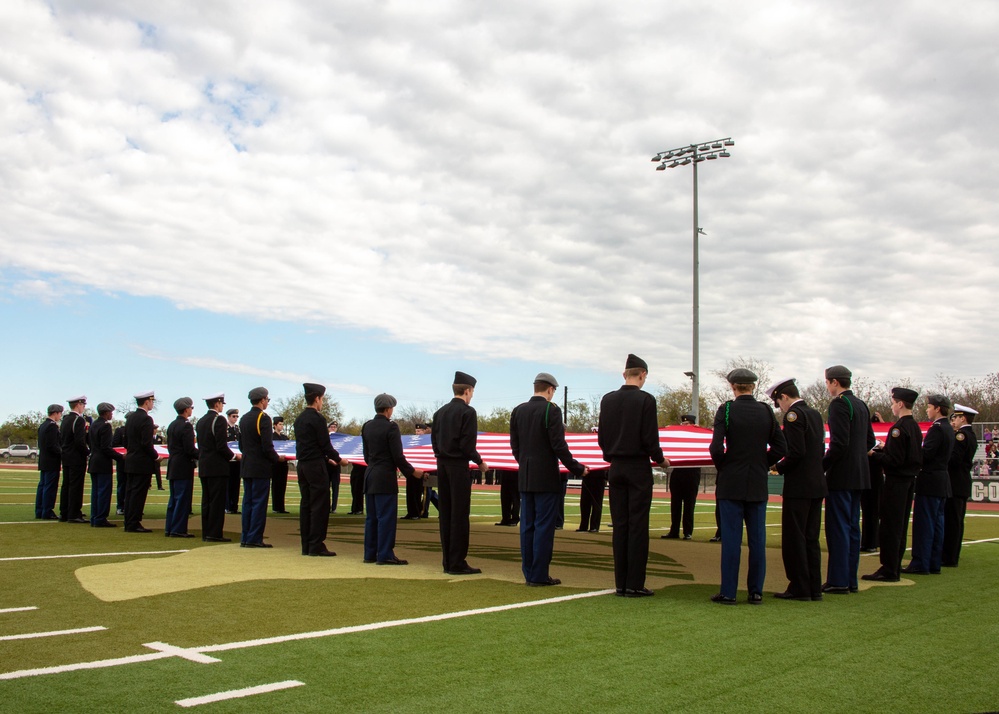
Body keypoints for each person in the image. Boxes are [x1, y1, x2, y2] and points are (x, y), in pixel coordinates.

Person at [709, 369, 786, 605]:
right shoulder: (765, 410)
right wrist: (762, 462)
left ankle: (729, 592)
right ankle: (755, 591)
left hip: (731, 482)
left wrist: (726, 466)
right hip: (756, 483)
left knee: (732, 540)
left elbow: (715, 448)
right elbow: (781, 447)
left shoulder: (727, 409)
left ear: (733, 387)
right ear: (753, 386)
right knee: (757, 541)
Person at [597, 354, 669, 598]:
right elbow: (650, 438)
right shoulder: (646, 400)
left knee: (620, 525)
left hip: (615, 467)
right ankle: (634, 583)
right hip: (638, 467)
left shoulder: (607, 400)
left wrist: (611, 455)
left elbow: (602, 437)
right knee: (638, 526)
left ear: (624, 374)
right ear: (643, 375)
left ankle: (620, 582)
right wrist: (660, 460)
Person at [511, 372, 587, 586]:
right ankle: (539, 575)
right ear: (550, 390)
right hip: (546, 477)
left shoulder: (518, 411)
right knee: (544, 527)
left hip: (525, 477)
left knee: (527, 527)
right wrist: (577, 468)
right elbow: (559, 446)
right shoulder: (551, 410)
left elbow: (515, 446)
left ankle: (529, 572)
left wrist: (525, 462)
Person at [768, 378, 826, 601]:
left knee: (795, 538)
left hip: (799, 485)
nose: (780, 407)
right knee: (811, 538)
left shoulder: (793, 416)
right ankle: (813, 587)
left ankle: (799, 586)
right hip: (816, 483)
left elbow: (796, 452)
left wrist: (778, 467)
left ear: (784, 397)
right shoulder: (814, 414)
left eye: (779, 402)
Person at [822, 365, 875, 594]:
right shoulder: (861, 405)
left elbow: (839, 443)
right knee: (853, 527)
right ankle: (850, 579)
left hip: (842, 475)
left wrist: (821, 465)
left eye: (827, 382)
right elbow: (869, 440)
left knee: (839, 528)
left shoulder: (839, 404)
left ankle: (838, 580)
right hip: (860, 474)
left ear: (834, 382)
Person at [862, 387, 923, 582]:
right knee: (901, 525)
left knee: (890, 526)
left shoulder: (899, 428)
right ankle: (893, 565)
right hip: (908, 481)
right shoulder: (914, 426)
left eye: (893, 402)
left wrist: (875, 454)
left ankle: (888, 568)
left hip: (896, 482)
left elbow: (895, 460)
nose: (892, 406)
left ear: (900, 404)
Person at [432, 371, 488, 575]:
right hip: (458, 467)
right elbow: (467, 445)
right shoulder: (468, 412)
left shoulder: (439, 413)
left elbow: (435, 443)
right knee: (459, 515)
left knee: (445, 514)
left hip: (442, 466)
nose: (472, 396)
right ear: (467, 390)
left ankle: (447, 560)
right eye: (472, 392)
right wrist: (480, 461)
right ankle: (457, 561)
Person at [362, 394, 424, 564]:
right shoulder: (391, 428)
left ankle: (370, 553)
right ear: (389, 409)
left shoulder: (366, 426)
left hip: (370, 475)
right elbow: (398, 456)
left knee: (372, 518)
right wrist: (411, 472)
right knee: (386, 518)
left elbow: (366, 456)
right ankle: (385, 555)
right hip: (385, 478)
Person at [295, 383, 348, 556]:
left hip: (302, 465)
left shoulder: (299, 419)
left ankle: (306, 545)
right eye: (322, 399)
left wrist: (327, 458)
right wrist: (339, 460)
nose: (322, 403)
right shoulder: (318, 419)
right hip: (315, 466)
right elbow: (325, 445)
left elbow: (309, 445)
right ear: (317, 398)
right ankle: (316, 544)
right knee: (320, 506)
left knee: (306, 504)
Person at [903, 394, 955, 574]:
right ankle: (933, 562)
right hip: (941, 481)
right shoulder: (948, 428)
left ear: (938, 408)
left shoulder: (937, 429)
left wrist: (910, 455)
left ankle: (920, 563)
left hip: (931, 481)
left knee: (925, 525)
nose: (927, 409)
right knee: (937, 524)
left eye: (929, 406)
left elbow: (926, 455)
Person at [239, 387, 282, 548]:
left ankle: (245, 536)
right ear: (263, 400)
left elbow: (242, 445)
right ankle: (254, 538)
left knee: (247, 502)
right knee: (258, 503)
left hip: (247, 465)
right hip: (260, 467)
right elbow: (266, 446)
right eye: (267, 400)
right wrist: (277, 458)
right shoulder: (263, 418)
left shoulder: (244, 418)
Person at [197, 393, 237, 542]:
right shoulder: (218, 420)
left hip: (205, 465)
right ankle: (214, 533)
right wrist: (233, 456)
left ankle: (206, 532)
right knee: (217, 502)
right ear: (217, 404)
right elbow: (221, 446)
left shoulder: (201, 421)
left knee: (206, 500)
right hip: (217, 467)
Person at [943, 404, 978, 567]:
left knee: (952, 521)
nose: (953, 420)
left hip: (956, 482)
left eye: (955, 417)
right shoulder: (970, 435)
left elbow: (954, 459)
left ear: (962, 418)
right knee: (956, 520)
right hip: (962, 482)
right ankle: (952, 554)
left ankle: (949, 557)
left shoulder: (961, 436)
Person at [123, 390, 158, 533]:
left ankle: (129, 521)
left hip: (131, 459)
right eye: (152, 401)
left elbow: (126, 441)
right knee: (138, 494)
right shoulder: (146, 419)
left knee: (130, 493)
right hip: (142, 462)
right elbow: (146, 443)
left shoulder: (130, 418)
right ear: (147, 402)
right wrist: (155, 456)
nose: (152, 404)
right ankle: (134, 523)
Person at [662, 414, 701, 540]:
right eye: (683, 424)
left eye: (687, 424)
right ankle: (674, 531)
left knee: (689, 505)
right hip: (678, 473)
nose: (684, 426)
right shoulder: (678, 436)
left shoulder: (698, 436)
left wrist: (699, 430)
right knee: (675, 504)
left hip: (692, 474)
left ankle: (688, 532)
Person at [164, 397, 198, 538]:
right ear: (186, 409)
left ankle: (170, 527)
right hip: (183, 465)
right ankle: (178, 529)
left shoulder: (172, 425)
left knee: (174, 499)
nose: (191, 410)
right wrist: (203, 455)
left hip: (173, 464)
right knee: (182, 500)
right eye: (191, 408)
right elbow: (189, 449)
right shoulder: (186, 425)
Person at [88, 402, 122, 528]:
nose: (111, 414)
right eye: (111, 412)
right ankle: (100, 518)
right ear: (106, 413)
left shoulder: (93, 425)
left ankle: (95, 517)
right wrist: (120, 457)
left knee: (96, 491)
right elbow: (106, 448)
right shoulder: (105, 426)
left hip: (94, 461)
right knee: (103, 492)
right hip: (103, 463)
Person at [59, 395, 90, 523]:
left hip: (66, 456)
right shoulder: (79, 420)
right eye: (83, 405)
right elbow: (79, 441)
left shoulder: (65, 419)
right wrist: (87, 452)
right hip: (76, 457)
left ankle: (65, 512)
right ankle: (74, 513)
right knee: (76, 486)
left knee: (66, 485)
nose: (83, 407)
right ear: (78, 405)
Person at [860, 412, 885, 552]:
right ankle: (870, 541)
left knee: (872, 511)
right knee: (871, 511)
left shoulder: (871, 441)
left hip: (872, 477)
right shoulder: (871, 440)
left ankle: (871, 542)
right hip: (873, 477)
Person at [35, 404, 64, 520]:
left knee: (42, 485)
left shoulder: (43, 425)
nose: (60, 416)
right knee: (49, 487)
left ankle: (40, 510)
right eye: (60, 413)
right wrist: (63, 454)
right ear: (56, 413)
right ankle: (47, 511)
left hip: (44, 460)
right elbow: (52, 445)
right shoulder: (52, 426)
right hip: (51, 460)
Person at [271, 416, 291, 514]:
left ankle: (281, 507)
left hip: (284, 464)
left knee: (282, 486)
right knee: (276, 485)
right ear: (275, 425)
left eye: (282, 424)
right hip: (275, 464)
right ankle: (276, 506)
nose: (281, 426)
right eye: (280, 424)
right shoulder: (272, 437)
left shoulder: (284, 438)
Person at [225, 408, 242, 514]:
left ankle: (234, 506)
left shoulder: (237, 429)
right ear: (229, 416)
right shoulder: (224, 428)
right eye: (233, 416)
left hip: (237, 460)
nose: (235, 418)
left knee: (236, 484)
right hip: (229, 460)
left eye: (237, 416)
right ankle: (227, 506)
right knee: (228, 484)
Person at [327, 421, 342, 513]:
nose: (333, 428)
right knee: (326, 488)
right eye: (331, 427)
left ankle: (334, 507)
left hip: (336, 466)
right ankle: (327, 506)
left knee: (336, 488)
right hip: (327, 465)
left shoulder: (340, 440)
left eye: (335, 427)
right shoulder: (326, 438)